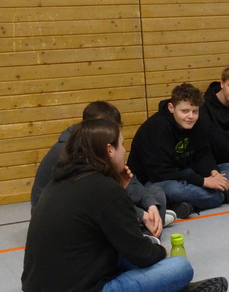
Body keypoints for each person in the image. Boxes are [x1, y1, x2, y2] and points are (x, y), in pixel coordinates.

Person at [21, 119, 228, 292]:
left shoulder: (62, 179)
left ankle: (162, 291)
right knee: (179, 267)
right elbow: (141, 253)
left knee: (140, 251)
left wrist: (119, 187)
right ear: (109, 150)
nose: (124, 151)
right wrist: (162, 252)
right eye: (121, 144)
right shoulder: (104, 189)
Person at [30, 101, 173, 238]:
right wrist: (141, 214)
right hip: (61, 217)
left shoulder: (103, 149)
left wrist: (150, 203)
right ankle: (146, 230)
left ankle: (148, 226)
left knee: (156, 195)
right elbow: (96, 198)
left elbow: (128, 180)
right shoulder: (72, 152)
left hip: (95, 202)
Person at [128, 83, 229, 218]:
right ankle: (224, 196)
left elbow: (203, 153)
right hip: (156, 181)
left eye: (195, 111)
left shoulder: (196, 122)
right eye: (184, 111)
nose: (190, 116)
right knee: (177, 190)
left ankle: (187, 202)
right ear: (171, 108)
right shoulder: (156, 127)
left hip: (187, 173)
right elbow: (160, 173)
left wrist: (213, 172)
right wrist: (204, 181)